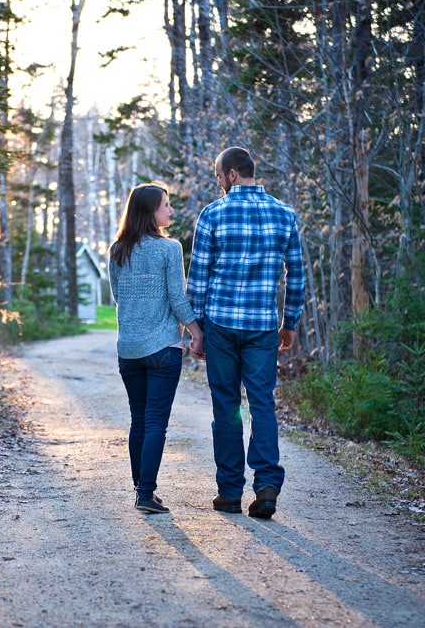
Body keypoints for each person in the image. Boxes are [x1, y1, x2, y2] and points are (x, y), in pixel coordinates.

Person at [186, 146, 305, 519]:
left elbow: (198, 279)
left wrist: (198, 330)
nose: (218, 183)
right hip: (263, 327)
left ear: (233, 174)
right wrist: (290, 324)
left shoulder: (213, 214)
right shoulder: (285, 214)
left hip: (221, 326)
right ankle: (267, 487)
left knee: (226, 406)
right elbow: (296, 276)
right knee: (262, 403)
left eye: (219, 177)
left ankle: (229, 492)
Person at [109, 183, 204, 515]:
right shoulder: (169, 249)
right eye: (166, 205)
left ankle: (141, 490)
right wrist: (196, 332)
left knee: (138, 420)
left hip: (129, 350)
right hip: (163, 347)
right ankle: (146, 494)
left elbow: (118, 296)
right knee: (154, 423)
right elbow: (178, 299)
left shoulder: (118, 249)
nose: (171, 210)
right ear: (150, 210)